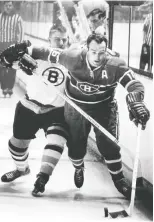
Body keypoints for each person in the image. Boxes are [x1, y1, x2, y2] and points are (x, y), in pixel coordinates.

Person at [0, 33, 150, 200]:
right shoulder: (71, 57)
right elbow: (40, 52)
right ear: (86, 49)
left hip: (101, 109)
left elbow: (133, 84)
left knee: (108, 146)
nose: (97, 57)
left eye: (102, 52)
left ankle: (119, 180)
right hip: (74, 108)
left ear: (107, 51)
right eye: (93, 51)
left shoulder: (115, 64)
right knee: (76, 150)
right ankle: (78, 167)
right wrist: (18, 52)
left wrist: (136, 100)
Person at [0, 24, 70, 196]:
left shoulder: (72, 61)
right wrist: (7, 56)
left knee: (56, 141)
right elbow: (5, 62)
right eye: (57, 39)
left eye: (64, 39)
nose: (61, 43)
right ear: (48, 39)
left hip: (56, 110)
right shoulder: (35, 55)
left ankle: (42, 178)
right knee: (16, 146)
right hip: (29, 106)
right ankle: (21, 169)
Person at [0, 1, 24, 96]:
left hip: (12, 45)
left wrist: (19, 47)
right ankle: (4, 87)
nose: (8, 7)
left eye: (10, 5)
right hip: (1, 44)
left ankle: (9, 88)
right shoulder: (0, 17)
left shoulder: (17, 18)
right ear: (3, 6)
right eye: (6, 6)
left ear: (12, 6)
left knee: (12, 67)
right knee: (2, 67)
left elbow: (21, 33)